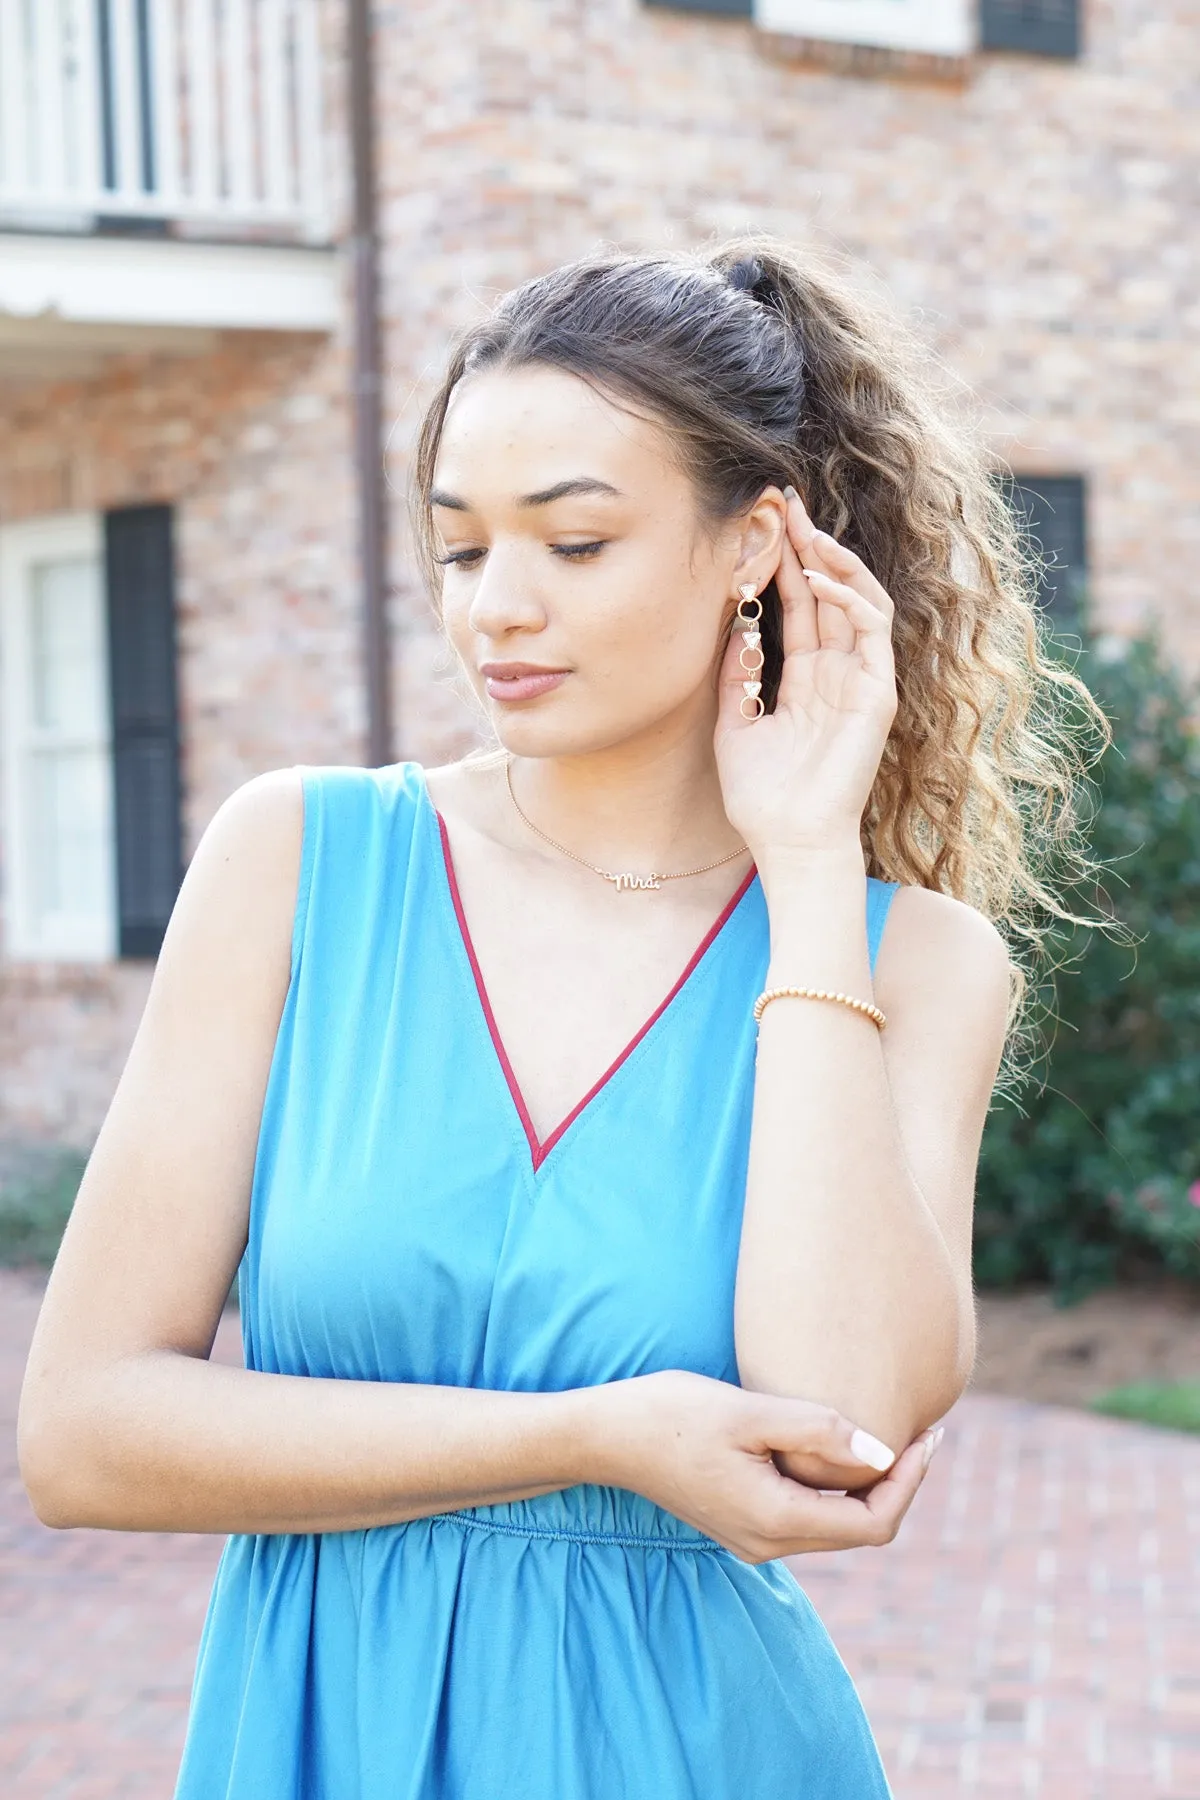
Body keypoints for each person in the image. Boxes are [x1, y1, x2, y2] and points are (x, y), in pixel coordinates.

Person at [18, 237, 1109, 1798]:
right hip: (323, 1746)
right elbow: (81, 1436)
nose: (498, 610)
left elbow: (841, 1419)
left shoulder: (916, 961)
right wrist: (592, 1436)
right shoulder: (299, 861)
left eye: (576, 541)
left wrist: (807, 866)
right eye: (464, 549)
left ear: (755, 545)